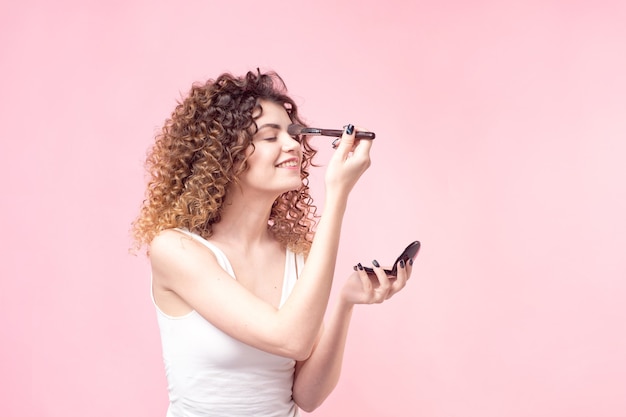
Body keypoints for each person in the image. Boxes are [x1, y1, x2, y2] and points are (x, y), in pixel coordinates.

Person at [131, 69, 413, 417]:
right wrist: (338, 193)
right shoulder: (176, 251)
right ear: (225, 157)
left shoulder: (295, 253)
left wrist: (344, 303)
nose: (293, 145)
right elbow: (290, 339)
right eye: (269, 137)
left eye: (293, 133)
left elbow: (307, 396)